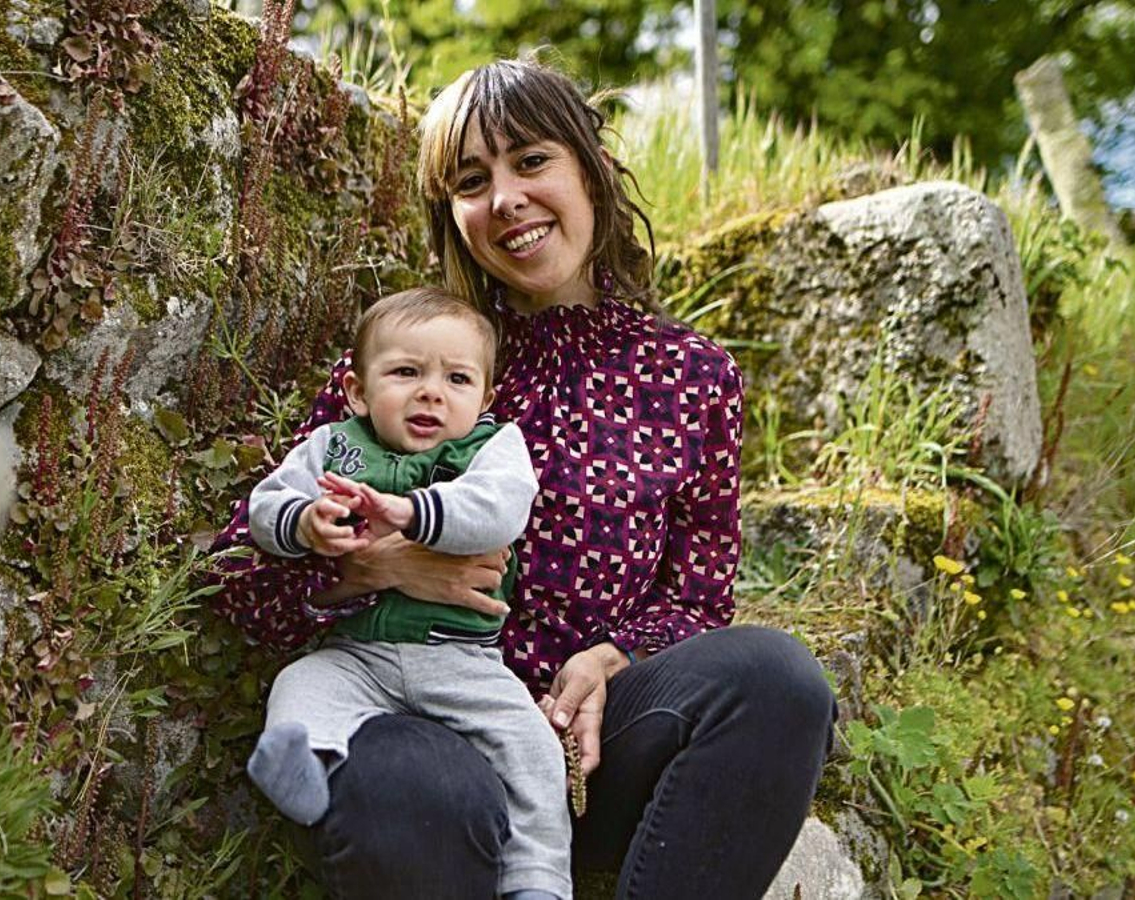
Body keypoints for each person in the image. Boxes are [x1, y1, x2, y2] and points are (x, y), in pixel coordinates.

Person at [211, 57, 836, 899]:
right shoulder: (417, 362)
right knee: (410, 786)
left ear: (591, 166)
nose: (506, 198)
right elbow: (237, 575)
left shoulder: (692, 376)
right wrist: (373, 566)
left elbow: (699, 594)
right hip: (429, 726)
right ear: (453, 214)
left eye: (531, 160)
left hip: (593, 750)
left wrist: (616, 656)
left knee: (775, 681)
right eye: (474, 179)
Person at [244, 287, 570, 900]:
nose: (431, 392)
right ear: (358, 392)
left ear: (485, 397)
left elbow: (497, 512)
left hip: (462, 660)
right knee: (300, 686)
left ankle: (538, 880)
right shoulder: (335, 446)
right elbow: (266, 504)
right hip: (356, 655)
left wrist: (411, 512)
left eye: (457, 378)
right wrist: (306, 523)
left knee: (531, 748)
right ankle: (300, 769)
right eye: (405, 372)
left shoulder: (494, 448)